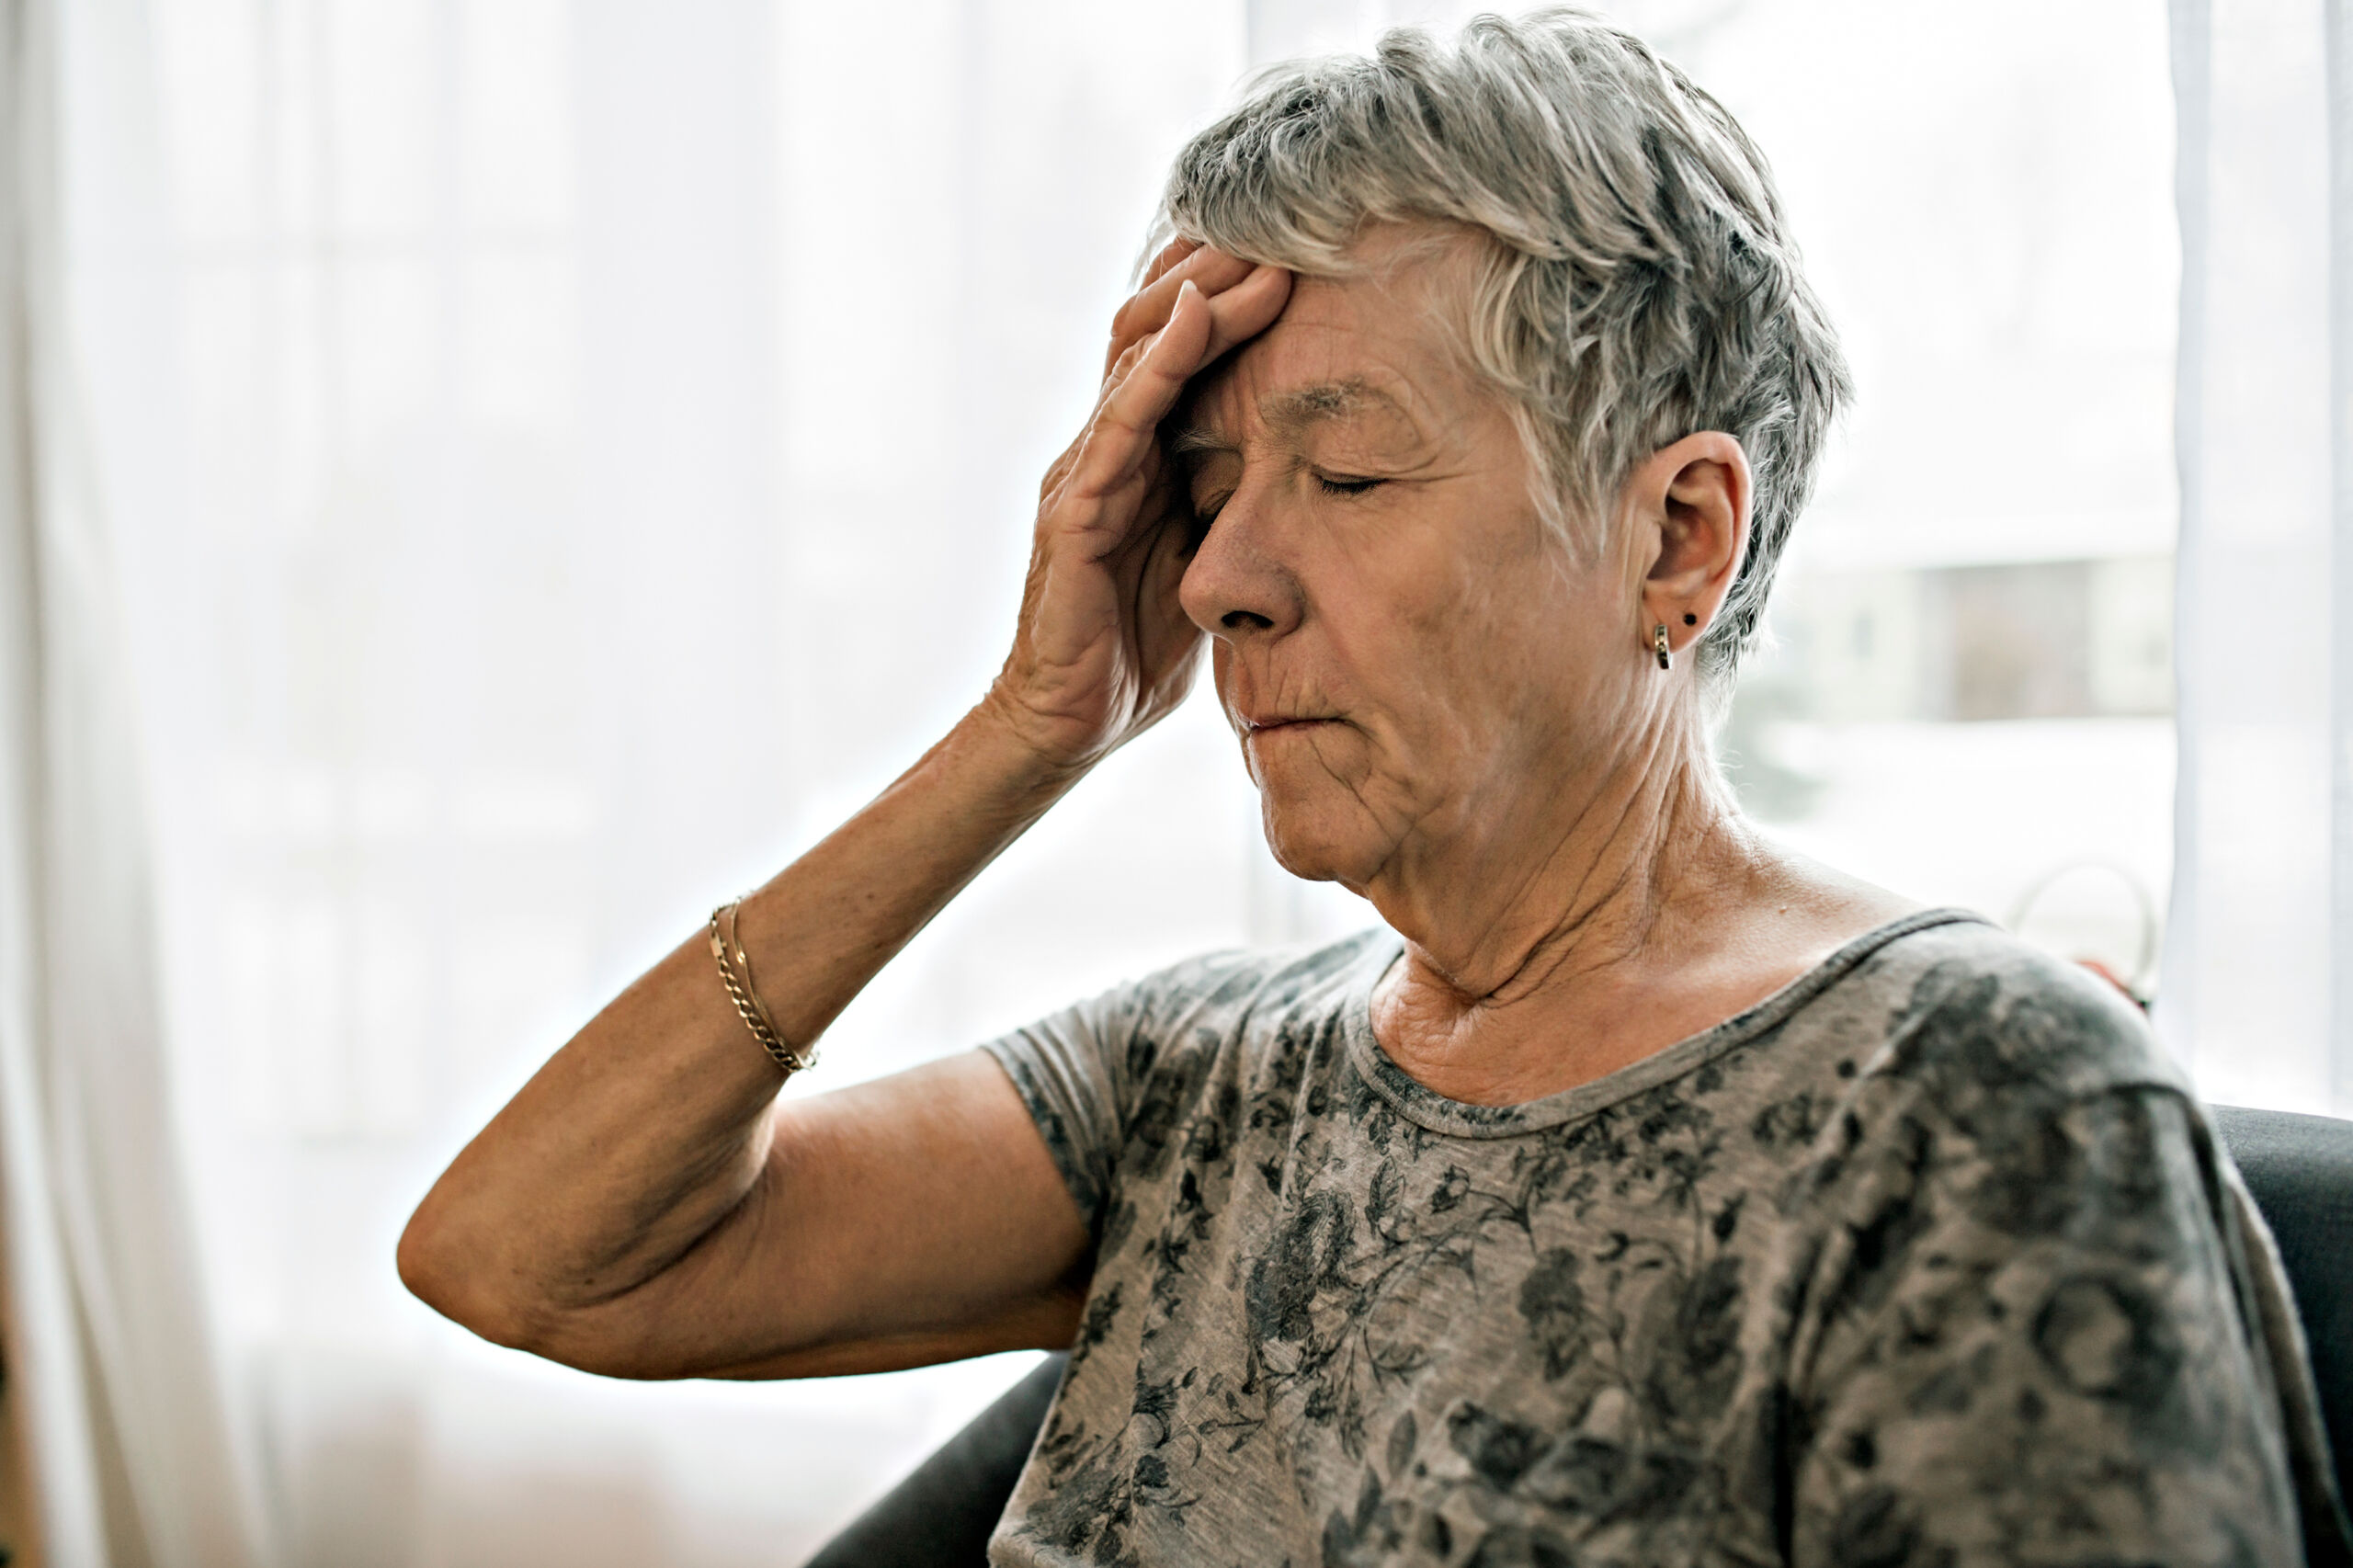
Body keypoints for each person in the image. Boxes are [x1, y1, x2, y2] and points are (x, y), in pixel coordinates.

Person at [399, 11, 2349, 1564]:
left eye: (1337, 476)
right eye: (1201, 486)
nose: (1218, 575)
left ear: (1673, 536)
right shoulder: (1202, 1077)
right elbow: (525, 1255)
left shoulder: (1964, 1102)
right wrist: (1026, 726)